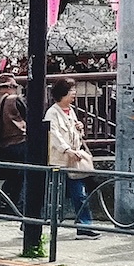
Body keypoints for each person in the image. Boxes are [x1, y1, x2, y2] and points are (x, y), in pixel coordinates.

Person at [46, 77, 98, 239]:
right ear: (62, 94)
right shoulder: (52, 113)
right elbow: (54, 135)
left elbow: (75, 135)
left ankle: (84, 226)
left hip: (74, 158)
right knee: (52, 194)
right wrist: (67, 150)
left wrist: (80, 128)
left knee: (79, 193)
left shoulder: (71, 110)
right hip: (60, 159)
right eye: (71, 91)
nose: (74, 95)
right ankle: (30, 223)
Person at [0, 71, 27, 216]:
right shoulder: (14, 100)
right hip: (20, 142)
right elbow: (29, 116)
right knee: (22, 176)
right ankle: (18, 207)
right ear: (11, 86)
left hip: (3, 145)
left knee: (12, 176)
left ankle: (3, 205)